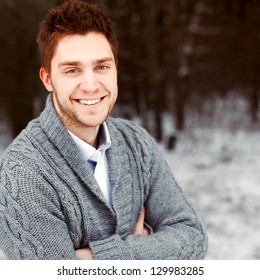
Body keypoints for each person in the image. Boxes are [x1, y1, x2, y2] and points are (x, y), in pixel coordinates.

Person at [0, 0, 207, 260]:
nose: (90, 85)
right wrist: (146, 251)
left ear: (116, 69)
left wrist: (93, 258)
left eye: (102, 67)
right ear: (47, 79)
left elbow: (193, 238)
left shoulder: (136, 142)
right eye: (72, 70)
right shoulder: (22, 175)